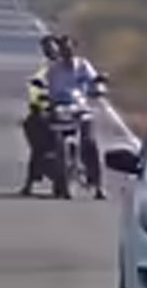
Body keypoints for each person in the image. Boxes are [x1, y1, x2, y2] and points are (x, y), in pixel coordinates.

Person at [43, 34, 106, 199]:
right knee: (44, 141)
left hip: (81, 109)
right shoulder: (54, 70)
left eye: (70, 48)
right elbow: (50, 90)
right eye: (64, 49)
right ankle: (51, 174)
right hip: (61, 110)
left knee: (90, 143)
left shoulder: (83, 66)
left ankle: (98, 185)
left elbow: (94, 82)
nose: (67, 52)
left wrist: (98, 88)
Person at [19, 34, 59, 196]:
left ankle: (97, 182)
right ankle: (30, 182)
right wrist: (37, 101)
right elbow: (35, 87)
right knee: (38, 141)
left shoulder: (76, 66)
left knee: (89, 142)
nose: (49, 50)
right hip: (49, 109)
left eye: (52, 46)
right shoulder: (45, 70)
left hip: (73, 108)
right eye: (46, 48)